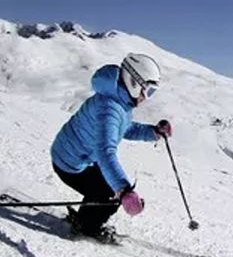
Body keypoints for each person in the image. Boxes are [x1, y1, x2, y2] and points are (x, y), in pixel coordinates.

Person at [50, 53, 172, 242]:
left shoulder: (119, 100)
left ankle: (84, 218)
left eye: (152, 92)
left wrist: (153, 132)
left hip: (78, 156)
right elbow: (105, 152)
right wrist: (123, 191)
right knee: (109, 194)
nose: (146, 98)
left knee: (106, 187)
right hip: (69, 162)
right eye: (147, 91)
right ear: (133, 82)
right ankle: (86, 227)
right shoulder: (110, 108)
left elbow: (123, 128)